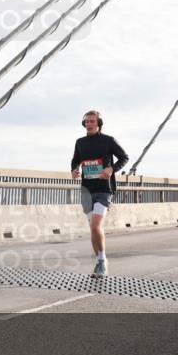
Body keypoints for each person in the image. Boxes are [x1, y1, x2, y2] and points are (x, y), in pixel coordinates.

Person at [71, 110, 129, 278]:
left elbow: (124, 157)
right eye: (87, 121)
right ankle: (99, 260)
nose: (89, 124)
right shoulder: (80, 142)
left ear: (99, 123)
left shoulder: (108, 141)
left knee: (96, 225)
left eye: (92, 121)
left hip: (104, 189)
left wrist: (112, 169)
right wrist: (74, 170)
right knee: (93, 229)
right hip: (87, 190)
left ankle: (103, 262)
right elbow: (75, 160)